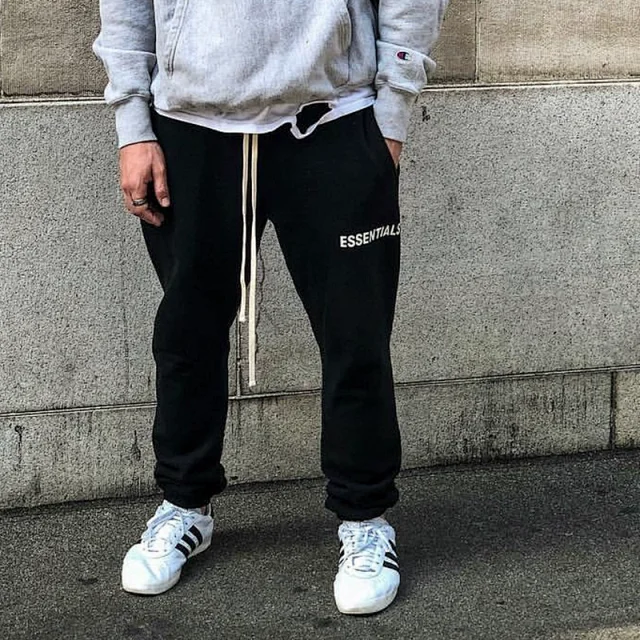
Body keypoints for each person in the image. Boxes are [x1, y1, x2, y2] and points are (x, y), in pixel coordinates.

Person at [93, 0, 446, 615]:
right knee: (188, 333)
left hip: (334, 121)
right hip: (190, 127)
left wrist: (390, 118)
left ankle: (365, 518)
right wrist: (134, 126)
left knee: (355, 334)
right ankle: (185, 505)